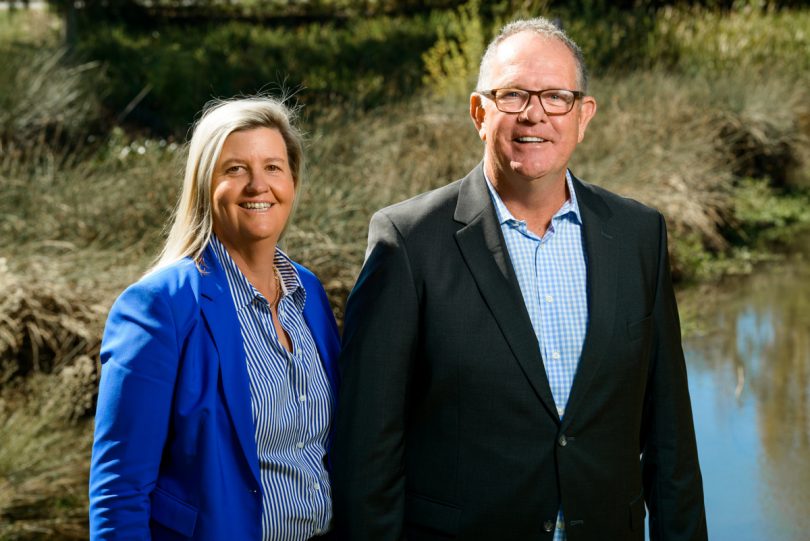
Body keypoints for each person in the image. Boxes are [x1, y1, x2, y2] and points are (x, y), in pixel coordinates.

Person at [331, 17, 707, 541]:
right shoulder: (408, 241)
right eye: (512, 96)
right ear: (479, 112)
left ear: (583, 114)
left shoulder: (639, 235)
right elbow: (366, 453)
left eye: (556, 96)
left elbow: (670, 439)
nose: (535, 114)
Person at [89, 96, 340, 541]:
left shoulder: (309, 294)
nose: (258, 185)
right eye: (235, 169)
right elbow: (118, 495)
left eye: (273, 167)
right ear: (205, 184)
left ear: (293, 182)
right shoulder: (158, 307)